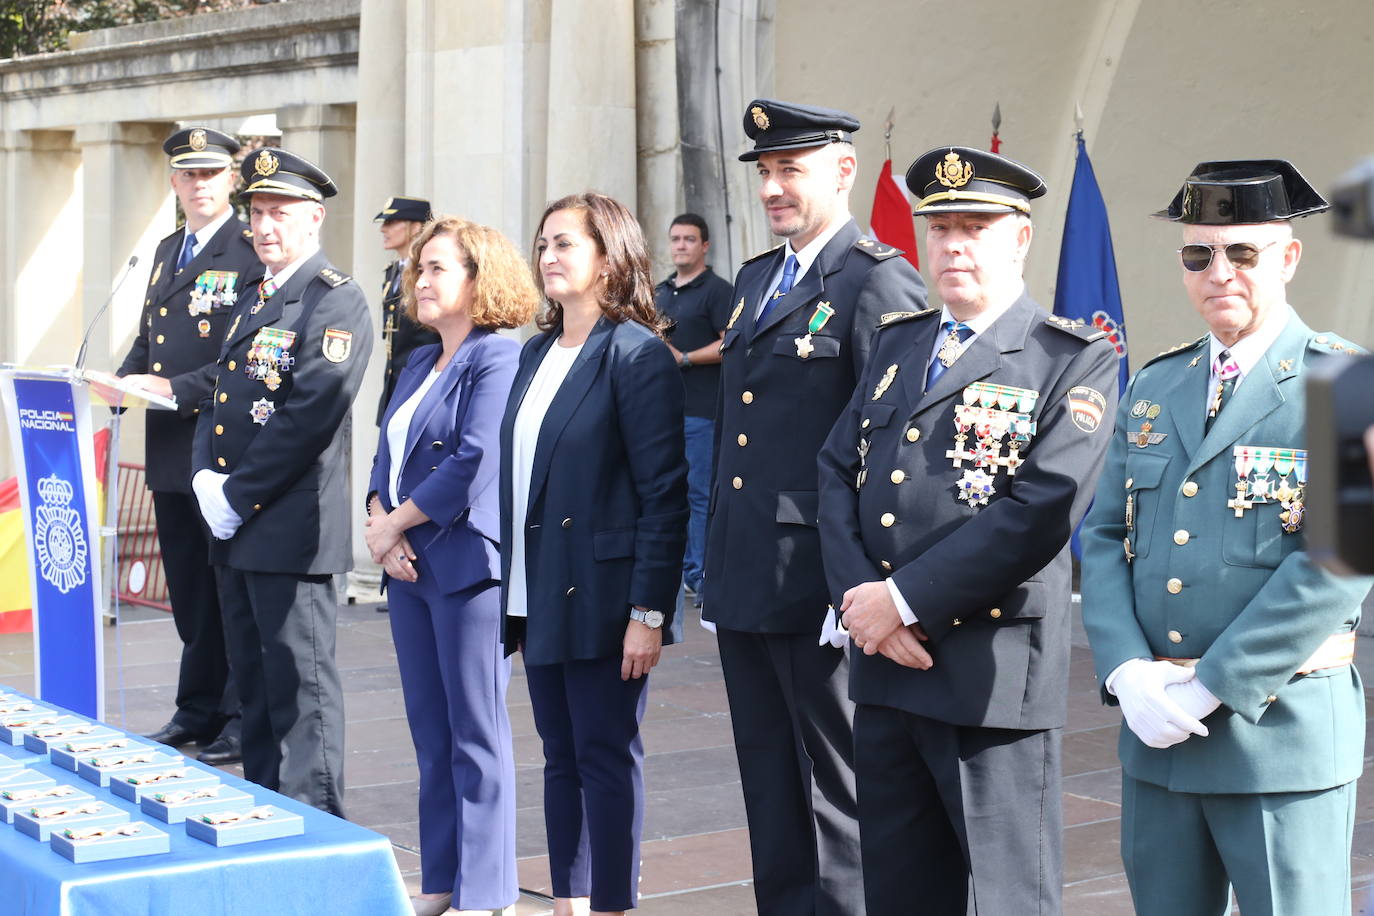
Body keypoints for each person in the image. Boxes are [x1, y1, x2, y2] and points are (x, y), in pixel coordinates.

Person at [818, 145, 1119, 915]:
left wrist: (903, 601)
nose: (953, 245)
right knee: (901, 893)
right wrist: (864, 603)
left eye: (975, 227)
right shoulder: (899, 342)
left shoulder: (1069, 359)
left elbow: (1039, 511)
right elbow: (834, 473)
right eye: (941, 227)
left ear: (1019, 238)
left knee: (1004, 898)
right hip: (886, 670)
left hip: (989, 677)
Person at [1080, 159, 1373, 916]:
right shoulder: (1154, 384)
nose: (1220, 273)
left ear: (1287, 257)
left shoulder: (1341, 383)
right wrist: (1126, 672)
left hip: (1276, 737)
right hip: (1161, 740)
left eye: (1242, 252)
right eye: (1198, 254)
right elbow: (1108, 533)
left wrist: (1211, 684)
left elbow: (1339, 562)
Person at [702, 98, 927, 916]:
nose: (772, 188)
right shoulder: (758, 281)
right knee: (768, 782)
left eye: (789, 169)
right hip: (746, 574)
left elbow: (891, 453)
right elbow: (739, 430)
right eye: (764, 171)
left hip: (820, 585)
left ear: (842, 171)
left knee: (839, 794)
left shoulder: (877, 281)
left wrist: (858, 585)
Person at [500, 192, 687, 916]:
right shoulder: (535, 353)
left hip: (604, 596)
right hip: (536, 588)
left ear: (609, 257)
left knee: (604, 755)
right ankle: (568, 901)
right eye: (543, 243)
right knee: (558, 756)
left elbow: (664, 496)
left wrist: (648, 612)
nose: (548, 256)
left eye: (565, 244)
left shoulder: (636, 355)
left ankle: (611, 903)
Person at [190, 147, 373, 816]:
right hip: (237, 531)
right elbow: (223, 398)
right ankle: (266, 812)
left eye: (280, 213)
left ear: (314, 218)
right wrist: (204, 479)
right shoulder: (254, 295)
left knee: (301, 692)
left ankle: (317, 833)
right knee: (258, 686)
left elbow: (310, 412)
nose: (265, 226)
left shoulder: (333, 299)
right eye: (257, 213)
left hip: (289, 528)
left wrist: (235, 496)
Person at [364, 216, 538, 916]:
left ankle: (489, 892)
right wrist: (381, 520)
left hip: (465, 568)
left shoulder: (498, 357)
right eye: (419, 269)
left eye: (437, 267)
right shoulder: (416, 360)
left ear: (479, 278)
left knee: (476, 732)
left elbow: (474, 460)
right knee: (430, 733)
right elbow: (385, 452)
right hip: (407, 568)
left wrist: (394, 524)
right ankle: (441, 881)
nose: (422, 281)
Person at [117, 126, 259, 766]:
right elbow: (150, 340)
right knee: (190, 594)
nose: (197, 185)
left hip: (220, 447)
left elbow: (245, 357)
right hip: (169, 448)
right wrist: (117, 381)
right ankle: (195, 708)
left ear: (231, 179)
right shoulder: (167, 249)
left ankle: (234, 714)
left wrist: (170, 386)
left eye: (209, 174)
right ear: (173, 183)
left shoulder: (251, 248)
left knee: (227, 589)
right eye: (186, 175)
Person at [652, 212, 732, 621]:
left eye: (689, 239)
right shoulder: (659, 292)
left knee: (699, 494)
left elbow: (731, 343)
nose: (680, 245)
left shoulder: (719, 291)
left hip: (702, 410)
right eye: (675, 238)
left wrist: (682, 357)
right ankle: (677, 572)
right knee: (665, 494)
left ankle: (701, 577)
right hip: (660, 413)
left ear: (705, 246)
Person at [374, 195, 440, 425]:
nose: (384, 228)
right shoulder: (392, 271)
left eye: (392, 222)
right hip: (396, 383)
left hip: (421, 380)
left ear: (415, 227)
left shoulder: (426, 274)